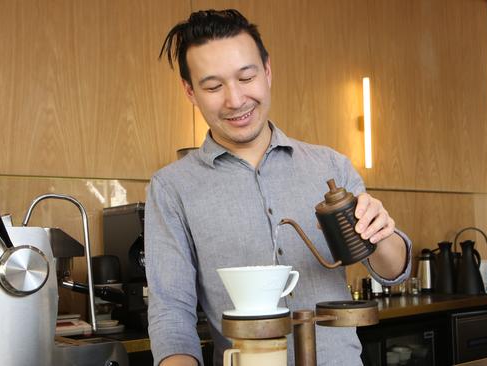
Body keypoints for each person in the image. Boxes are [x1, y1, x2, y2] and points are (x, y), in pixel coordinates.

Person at [145, 9, 411, 366]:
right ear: (190, 91)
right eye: (213, 86)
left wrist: (380, 234)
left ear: (267, 71)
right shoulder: (171, 187)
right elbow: (171, 314)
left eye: (247, 77)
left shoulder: (330, 165)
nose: (235, 99)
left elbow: (393, 272)